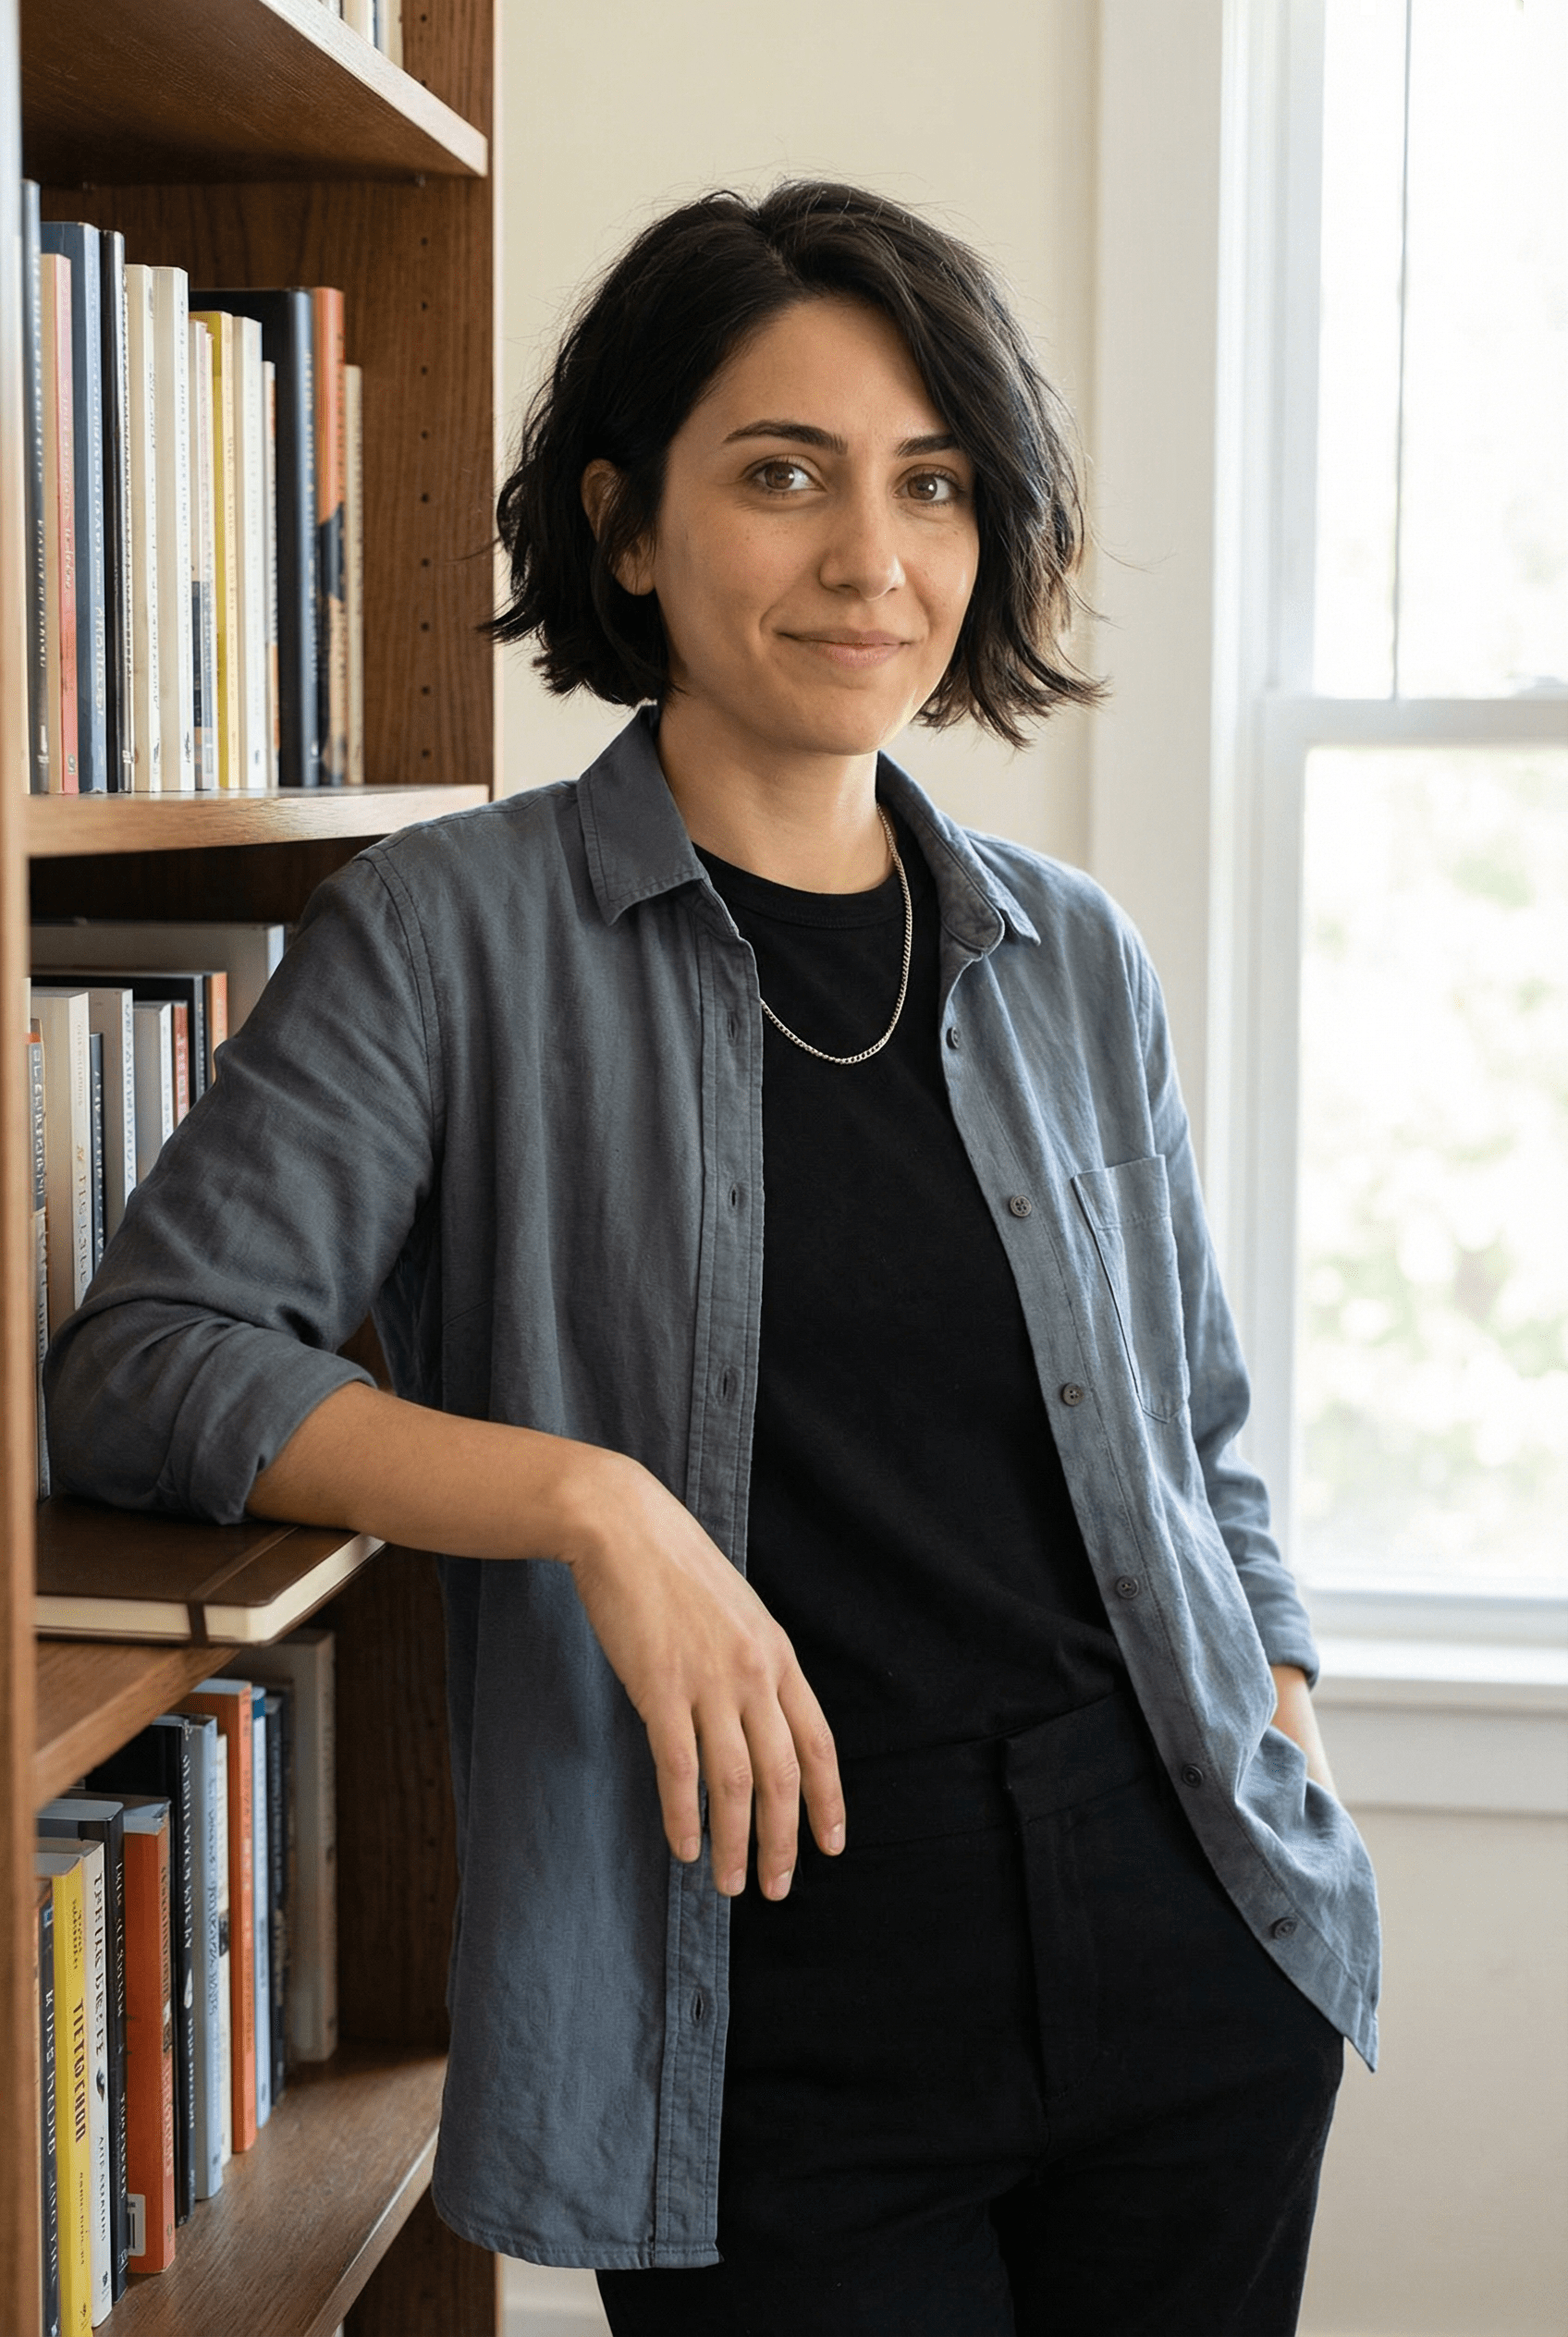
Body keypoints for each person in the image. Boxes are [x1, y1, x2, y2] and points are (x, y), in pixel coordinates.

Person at [47, 181, 1379, 2336]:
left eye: (931, 484)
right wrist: (589, 1501)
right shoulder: (448, 932)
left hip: (1188, 1958)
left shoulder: (1073, 960)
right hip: (765, 2009)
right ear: (629, 525)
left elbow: (1195, 1443)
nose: (872, 558)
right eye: (783, 474)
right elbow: (150, 1357)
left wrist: (1278, 1734)